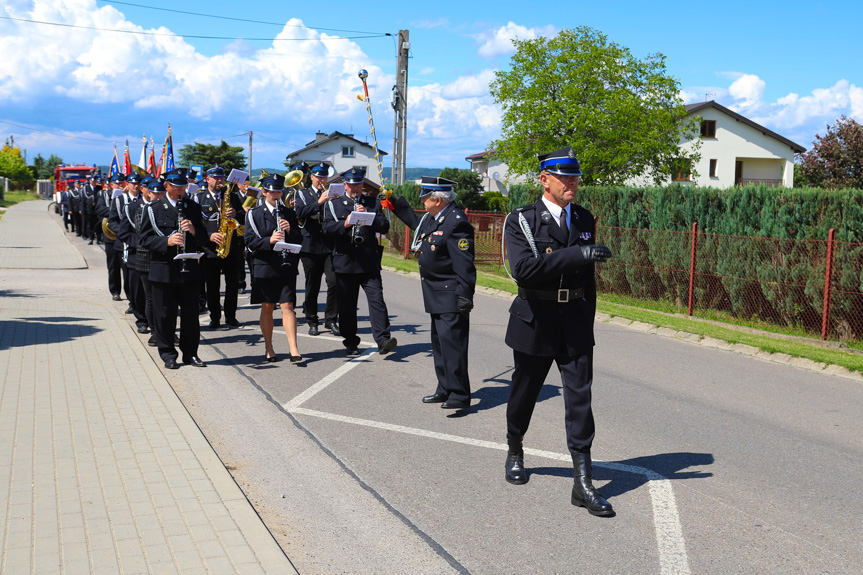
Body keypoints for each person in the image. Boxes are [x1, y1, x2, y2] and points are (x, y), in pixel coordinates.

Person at [502, 146, 615, 517]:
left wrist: (589, 318)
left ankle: (583, 483)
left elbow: (590, 280)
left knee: (580, 399)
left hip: (576, 320)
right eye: (565, 177)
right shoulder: (521, 220)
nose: (573, 184)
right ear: (544, 179)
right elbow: (524, 271)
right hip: (536, 319)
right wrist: (576, 255)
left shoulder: (583, 218)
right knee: (525, 392)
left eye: (576, 177)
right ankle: (515, 448)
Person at [391, 177, 476, 410]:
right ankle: (445, 387)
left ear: (437, 200)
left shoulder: (456, 222)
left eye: (425, 197)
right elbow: (417, 224)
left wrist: (465, 295)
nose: (423, 201)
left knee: (453, 346)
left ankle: (459, 393)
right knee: (439, 344)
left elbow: (464, 264)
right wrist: (395, 202)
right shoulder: (435, 217)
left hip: (450, 294)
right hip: (435, 293)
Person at [322, 167, 396, 356]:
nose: (355, 189)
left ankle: (383, 339)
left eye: (359, 185)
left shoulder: (372, 203)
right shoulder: (333, 204)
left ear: (363, 185)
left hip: (368, 261)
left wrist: (367, 218)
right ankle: (351, 342)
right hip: (345, 261)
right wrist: (346, 223)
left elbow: (385, 226)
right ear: (345, 185)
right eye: (352, 185)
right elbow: (327, 229)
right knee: (347, 305)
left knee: (377, 300)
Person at [138, 169, 207, 370]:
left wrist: (194, 231)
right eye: (177, 186)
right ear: (166, 186)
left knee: (191, 317)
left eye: (183, 186)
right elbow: (143, 239)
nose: (181, 190)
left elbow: (204, 239)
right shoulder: (153, 209)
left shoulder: (192, 207)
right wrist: (166, 241)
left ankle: (191, 353)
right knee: (165, 316)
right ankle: (168, 354)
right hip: (164, 270)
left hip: (189, 270)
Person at [244, 174, 304, 363]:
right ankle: (269, 347)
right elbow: (250, 242)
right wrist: (269, 241)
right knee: (268, 306)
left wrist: (289, 231)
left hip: (286, 264)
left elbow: (299, 239)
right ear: (264, 192)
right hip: (265, 265)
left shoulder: (289, 213)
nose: (277, 195)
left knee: (288, 305)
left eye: (279, 191)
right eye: (273, 192)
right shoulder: (253, 214)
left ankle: (294, 348)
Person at [294, 162, 339, 336]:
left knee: (334, 282)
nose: (321, 179)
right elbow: (300, 212)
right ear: (311, 177)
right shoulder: (302, 193)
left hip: (329, 245)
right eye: (318, 176)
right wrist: (320, 202)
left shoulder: (333, 194)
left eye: (324, 176)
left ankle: (331, 319)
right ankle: (312, 320)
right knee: (312, 286)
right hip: (310, 246)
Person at [197, 164, 244, 330]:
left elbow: (244, 218)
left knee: (232, 285)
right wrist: (209, 236)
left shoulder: (232, 196)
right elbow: (197, 224)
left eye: (222, 177)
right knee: (212, 286)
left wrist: (236, 214)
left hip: (230, 247)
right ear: (207, 178)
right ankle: (215, 317)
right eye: (216, 177)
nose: (219, 180)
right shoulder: (200, 198)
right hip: (210, 249)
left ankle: (231, 316)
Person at [97, 174, 124, 300]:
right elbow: (99, 210)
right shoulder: (103, 195)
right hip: (111, 236)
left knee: (128, 268)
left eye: (121, 183)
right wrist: (115, 210)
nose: (119, 185)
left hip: (125, 236)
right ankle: (115, 291)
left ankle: (131, 295)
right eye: (116, 183)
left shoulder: (128, 197)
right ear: (111, 184)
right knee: (113, 266)